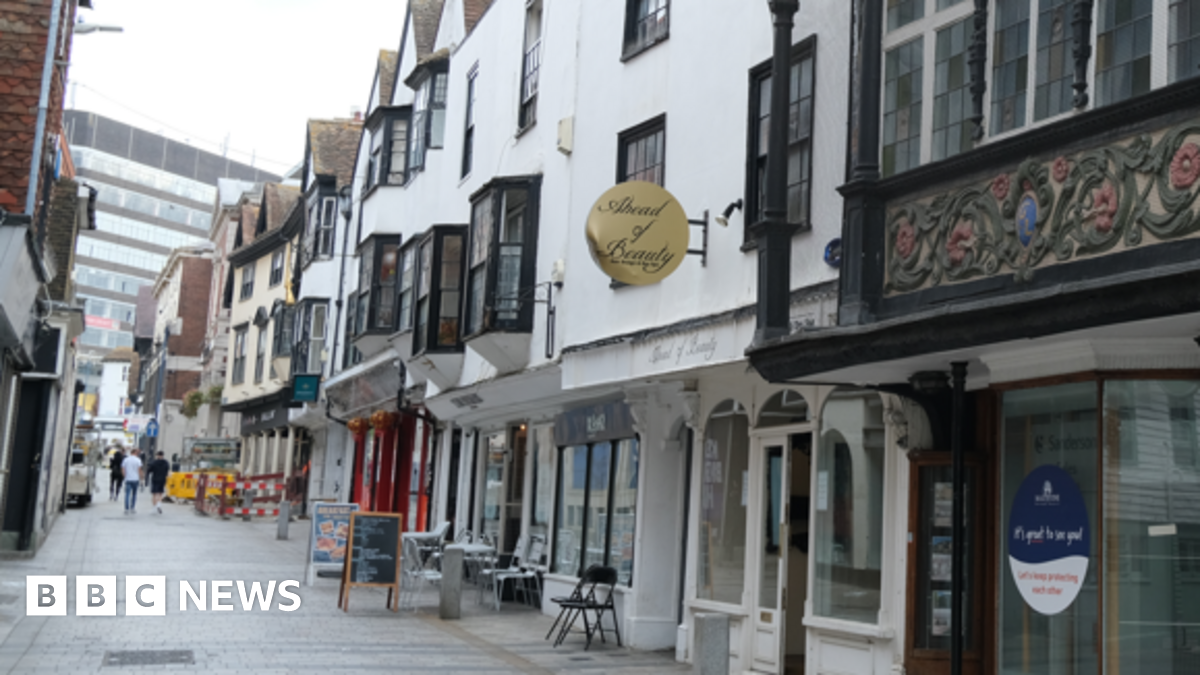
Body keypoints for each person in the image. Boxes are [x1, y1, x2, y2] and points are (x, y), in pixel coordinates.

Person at [121, 449, 143, 514]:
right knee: (134, 494)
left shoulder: (126, 460)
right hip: (135, 479)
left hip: (128, 479)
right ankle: (132, 508)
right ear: (136, 453)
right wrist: (141, 477)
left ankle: (126, 509)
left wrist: (125, 476)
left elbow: (123, 469)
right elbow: (139, 470)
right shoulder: (138, 460)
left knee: (127, 494)